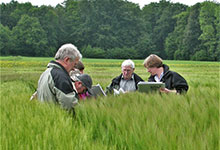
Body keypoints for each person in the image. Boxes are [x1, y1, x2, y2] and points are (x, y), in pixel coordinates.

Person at [37, 43, 91, 110]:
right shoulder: (60, 77)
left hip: (46, 116)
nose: (74, 69)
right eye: (74, 64)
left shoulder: (46, 73)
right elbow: (70, 106)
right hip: (56, 118)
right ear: (67, 60)